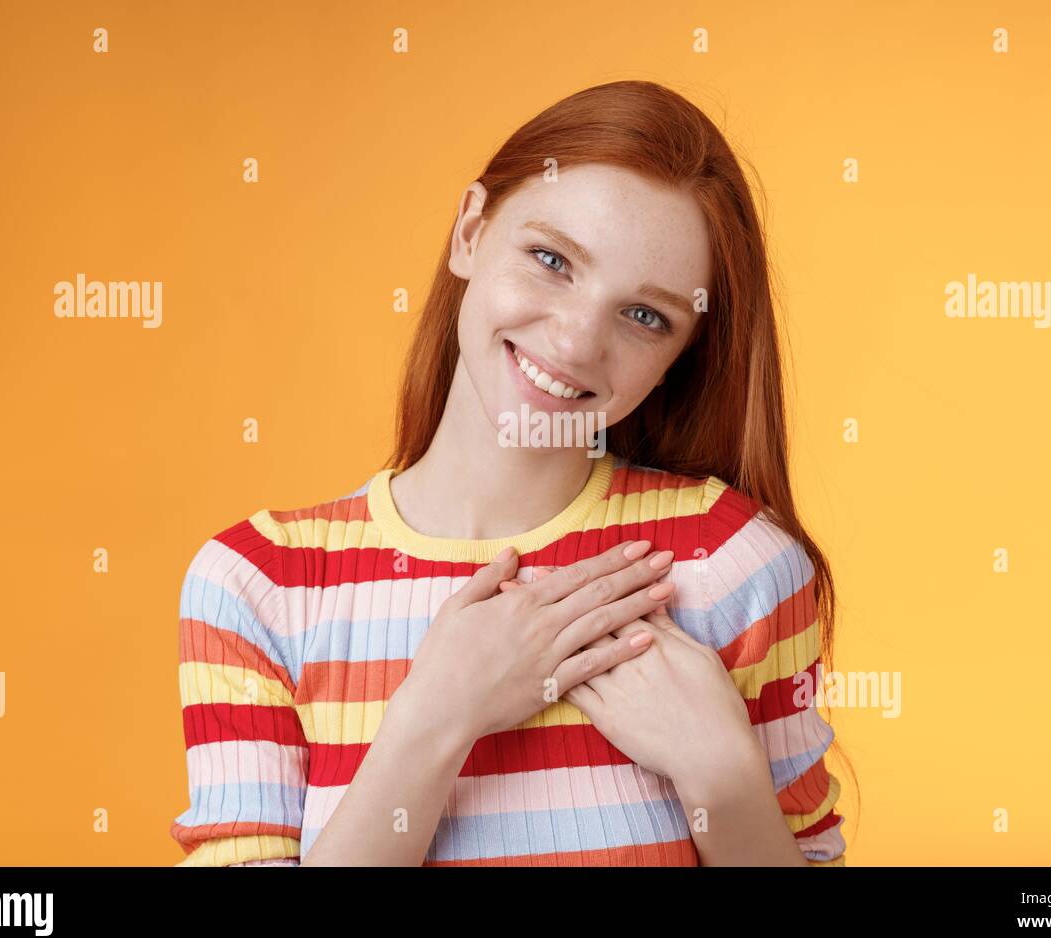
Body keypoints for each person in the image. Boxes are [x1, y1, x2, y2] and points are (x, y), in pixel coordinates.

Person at [171, 79, 852, 866]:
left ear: (678, 359)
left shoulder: (735, 564)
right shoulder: (259, 585)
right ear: (470, 231)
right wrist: (435, 718)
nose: (572, 341)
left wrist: (723, 780)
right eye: (551, 259)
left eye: (644, 315)